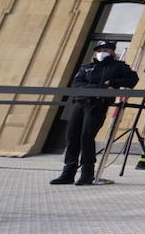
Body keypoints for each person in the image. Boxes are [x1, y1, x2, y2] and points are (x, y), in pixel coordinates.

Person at [50, 39, 139, 186]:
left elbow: (132, 80)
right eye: (99, 50)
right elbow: (76, 83)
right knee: (72, 137)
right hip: (80, 103)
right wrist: (96, 86)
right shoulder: (86, 67)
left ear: (112, 52)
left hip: (97, 105)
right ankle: (68, 173)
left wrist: (113, 83)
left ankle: (87, 174)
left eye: (106, 50)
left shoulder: (118, 67)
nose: (102, 53)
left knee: (86, 137)